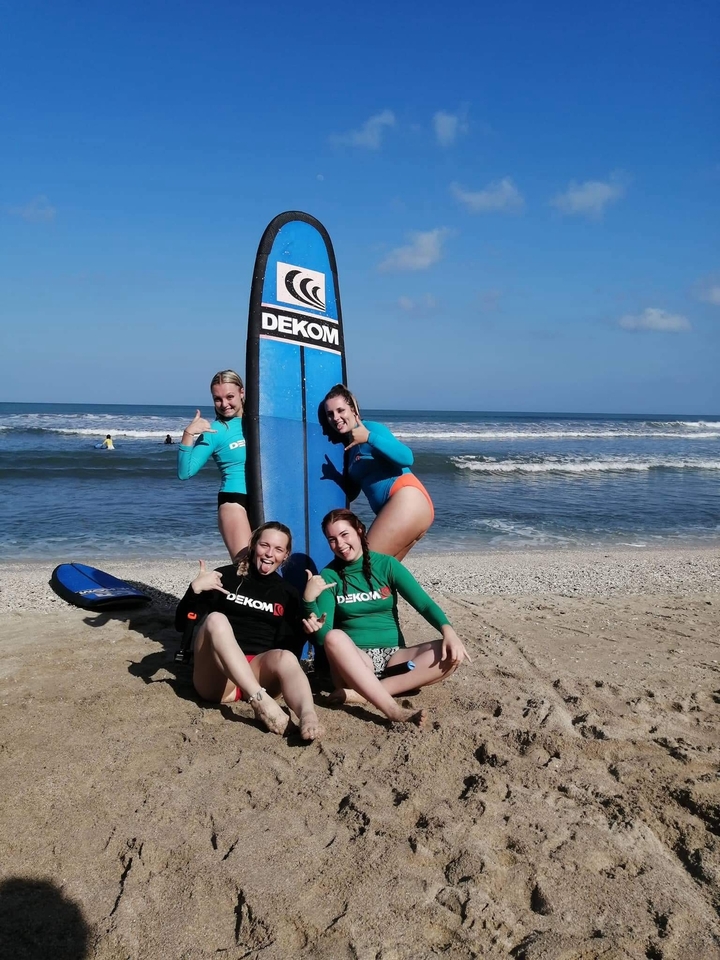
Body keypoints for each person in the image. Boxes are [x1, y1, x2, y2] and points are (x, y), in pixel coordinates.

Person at [302, 508, 470, 728]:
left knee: (449, 654)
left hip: (395, 658)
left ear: (359, 531)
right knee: (334, 637)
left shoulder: (387, 565)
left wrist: (448, 631)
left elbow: (424, 603)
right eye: (332, 539)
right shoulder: (329, 576)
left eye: (345, 535)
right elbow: (325, 639)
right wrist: (308, 601)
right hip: (358, 661)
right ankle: (391, 709)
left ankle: (362, 695)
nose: (340, 544)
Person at [175, 521, 323, 741]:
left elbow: (289, 649)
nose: (269, 554)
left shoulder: (288, 593)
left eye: (278, 549)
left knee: (286, 657)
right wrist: (195, 590)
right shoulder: (224, 577)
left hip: (259, 674)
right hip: (219, 680)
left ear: (285, 555)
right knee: (216, 619)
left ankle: (308, 715)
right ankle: (260, 702)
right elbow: (181, 624)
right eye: (265, 545)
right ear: (254, 545)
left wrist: (306, 631)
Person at [319, 384, 433, 560]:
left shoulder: (371, 429)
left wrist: (370, 438)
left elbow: (407, 458)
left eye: (341, 410)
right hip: (402, 508)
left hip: (407, 500)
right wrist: (334, 476)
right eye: (330, 414)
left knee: (363, 563)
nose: (336, 417)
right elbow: (354, 492)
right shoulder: (350, 449)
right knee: (383, 576)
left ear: (353, 409)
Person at [178, 370, 250, 561]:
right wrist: (188, 434)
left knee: (269, 565)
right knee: (244, 567)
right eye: (217, 399)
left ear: (242, 392)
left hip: (266, 498)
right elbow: (185, 472)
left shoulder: (258, 422)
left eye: (230, 397)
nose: (224, 404)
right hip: (235, 502)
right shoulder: (214, 431)